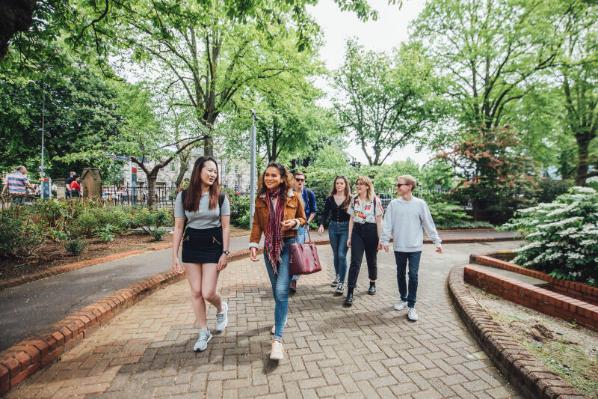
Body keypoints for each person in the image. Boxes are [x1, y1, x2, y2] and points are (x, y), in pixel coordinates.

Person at [171, 156, 231, 352]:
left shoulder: (221, 197)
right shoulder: (183, 197)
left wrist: (225, 252)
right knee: (196, 292)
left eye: (215, 171)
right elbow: (179, 227)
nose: (213, 174)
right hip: (191, 246)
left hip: (213, 246)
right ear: (198, 171)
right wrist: (174, 256)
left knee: (208, 292)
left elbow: (225, 227)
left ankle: (221, 308)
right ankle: (204, 331)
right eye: (210, 170)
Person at [249, 163, 306, 360]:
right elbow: (257, 223)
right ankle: (281, 316)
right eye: (267, 175)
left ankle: (278, 340)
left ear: (282, 178)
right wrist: (254, 244)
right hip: (269, 250)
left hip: (288, 246)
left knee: (282, 290)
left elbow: (303, 219)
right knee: (276, 290)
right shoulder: (261, 199)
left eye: (274, 175)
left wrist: (295, 223)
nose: (269, 178)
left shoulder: (293, 196)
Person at [381, 175, 442, 322]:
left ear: (409, 186)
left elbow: (428, 223)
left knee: (413, 275)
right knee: (400, 273)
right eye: (397, 185)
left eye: (400, 185)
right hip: (399, 246)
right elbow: (387, 223)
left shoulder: (420, 204)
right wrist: (384, 240)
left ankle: (412, 305)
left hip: (415, 247)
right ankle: (403, 299)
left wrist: (437, 241)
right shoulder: (394, 204)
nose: (397, 187)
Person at [344, 176, 384, 307]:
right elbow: (351, 219)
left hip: (371, 231)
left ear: (367, 186)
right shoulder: (354, 200)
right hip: (357, 231)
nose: (358, 186)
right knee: (355, 261)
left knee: (371, 259)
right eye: (357, 184)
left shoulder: (375, 200)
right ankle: (350, 291)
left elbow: (379, 221)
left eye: (361, 184)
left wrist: (380, 239)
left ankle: (372, 282)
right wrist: (349, 237)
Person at [318, 176, 351, 295]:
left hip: (345, 228)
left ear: (345, 185)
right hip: (333, 228)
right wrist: (321, 224)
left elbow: (354, 217)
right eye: (337, 183)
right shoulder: (330, 199)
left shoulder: (350, 199)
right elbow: (325, 213)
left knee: (342, 255)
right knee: (336, 255)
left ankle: (342, 283)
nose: (339, 185)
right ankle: (337, 276)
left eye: (341, 183)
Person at [289, 171, 316, 294]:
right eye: (298, 179)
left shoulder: (308, 193)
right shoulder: (288, 193)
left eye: (302, 180)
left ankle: (294, 280)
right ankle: (287, 278)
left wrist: (307, 222)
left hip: (301, 228)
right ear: (293, 180)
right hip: (288, 228)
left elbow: (313, 211)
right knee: (288, 253)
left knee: (298, 253)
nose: (300, 182)